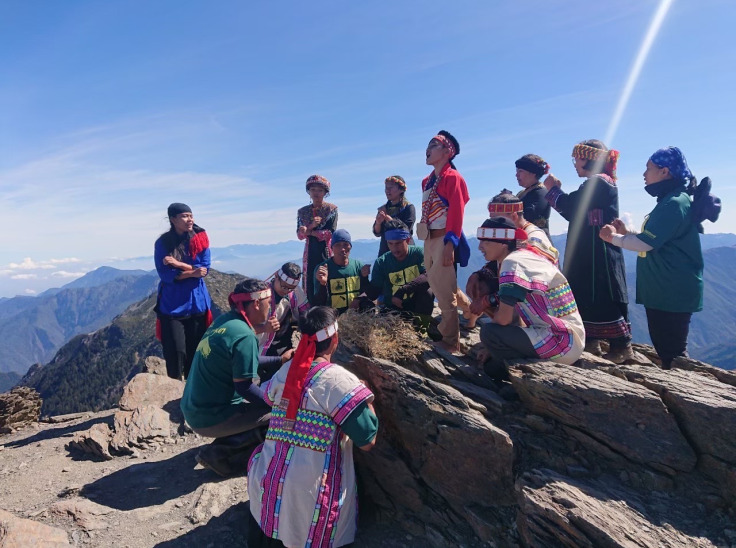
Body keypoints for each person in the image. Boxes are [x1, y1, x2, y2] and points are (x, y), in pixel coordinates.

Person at [247, 306, 378, 548]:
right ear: (335, 339)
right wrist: (366, 397)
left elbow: (268, 396)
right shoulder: (340, 381)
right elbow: (368, 441)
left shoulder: (286, 370)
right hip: (310, 495)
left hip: (267, 483)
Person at [599, 147, 704, 369]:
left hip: (670, 290)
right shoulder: (672, 200)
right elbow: (656, 239)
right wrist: (628, 233)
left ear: (664, 171)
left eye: (648, 168)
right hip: (666, 289)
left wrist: (613, 238)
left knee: (672, 351)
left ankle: (681, 387)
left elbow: (646, 244)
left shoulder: (673, 203)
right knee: (668, 349)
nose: (644, 174)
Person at [180, 278, 289, 477]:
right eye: (268, 302)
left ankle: (228, 440)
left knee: (264, 401)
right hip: (209, 416)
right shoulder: (245, 336)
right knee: (281, 417)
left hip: (194, 408)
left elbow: (245, 359)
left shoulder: (225, 321)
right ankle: (219, 454)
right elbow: (244, 387)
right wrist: (276, 405)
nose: (270, 308)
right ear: (256, 303)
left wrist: (279, 360)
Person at [543, 139, 633, 363]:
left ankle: (620, 346)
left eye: (577, 159)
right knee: (588, 291)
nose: (575, 164)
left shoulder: (599, 183)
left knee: (600, 291)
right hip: (593, 248)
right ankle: (591, 340)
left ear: (589, 159)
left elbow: (571, 206)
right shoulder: (601, 182)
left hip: (596, 251)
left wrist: (553, 189)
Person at [474, 217, 585, 379]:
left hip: (560, 341)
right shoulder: (525, 256)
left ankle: (516, 378)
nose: (480, 246)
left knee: (489, 333)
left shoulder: (512, 263)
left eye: (486, 242)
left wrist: (491, 345)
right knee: (491, 363)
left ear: (503, 243)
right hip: (570, 339)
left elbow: (504, 319)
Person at [464, 190, 559, 329]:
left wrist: (488, 300)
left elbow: (526, 283)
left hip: (542, 303)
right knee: (478, 284)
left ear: (513, 216)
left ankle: (513, 327)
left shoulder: (534, 239)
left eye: (497, 218)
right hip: (519, 288)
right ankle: (506, 326)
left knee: (485, 289)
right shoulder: (508, 236)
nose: (492, 222)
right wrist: (478, 274)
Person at [417, 130, 471, 352]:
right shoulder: (427, 181)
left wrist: (451, 244)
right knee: (438, 281)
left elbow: (457, 212)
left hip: (443, 239)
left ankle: (450, 340)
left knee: (444, 291)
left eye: (433, 145)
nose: (427, 150)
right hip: (429, 239)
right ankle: (470, 309)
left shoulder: (453, 178)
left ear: (448, 152)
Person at [154, 203, 212, 380]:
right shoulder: (163, 243)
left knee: (196, 351)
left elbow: (204, 269)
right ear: (173, 219)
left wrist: (178, 264)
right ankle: (174, 387)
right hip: (173, 307)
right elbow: (165, 274)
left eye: (191, 216)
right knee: (176, 352)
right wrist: (192, 272)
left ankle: (192, 388)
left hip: (197, 304)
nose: (190, 220)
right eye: (185, 216)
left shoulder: (200, 239)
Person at [368, 219, 434, 319]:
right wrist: (363, 278)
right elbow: (374, 291)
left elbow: (428, 275)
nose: (394, 248)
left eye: (398, 243)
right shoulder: (382, 262)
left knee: (428, 292)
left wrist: (403, 290)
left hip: (416, 304)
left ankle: (422, 325)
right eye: (390, 243)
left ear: (407, 240)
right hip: (393, 307)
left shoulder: (419, 254)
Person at [297, 175, 338, 305]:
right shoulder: (302, 212)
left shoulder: (331, 210)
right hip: (310, 252)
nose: (316, 193)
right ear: (308, 191)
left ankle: (327, 307)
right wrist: (311, 226)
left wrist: (309, 231)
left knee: (326, 277)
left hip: (326, 250)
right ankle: (310, 308)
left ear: (325, 193)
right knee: (309, 279)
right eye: (313, 189)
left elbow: (330, 233)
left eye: (320, 190)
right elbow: (299, 235)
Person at [258, 262, 310, 360]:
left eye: (291, 288)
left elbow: (306, 313)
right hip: (259, 347)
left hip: (283, 344)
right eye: (284, 287)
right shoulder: (260, 296)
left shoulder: (296, 293)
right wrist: (264, 328)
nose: (287, 291)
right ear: (276, 276)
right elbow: (244, 328)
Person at [313, 229, 371, 313]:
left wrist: (364, 278)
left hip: (355, 314)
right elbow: (318, 302)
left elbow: (368, 293)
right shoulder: (322, 269)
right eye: (337, 245)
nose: (342, 249)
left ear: (350, 247)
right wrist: (323, 284)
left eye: (345, 244)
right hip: (332, 315)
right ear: (332, 248)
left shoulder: (358, 266)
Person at [373, 175, 416, 257]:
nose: (387, 190)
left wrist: (390, 221)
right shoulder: (384, 209)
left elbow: (406, 229)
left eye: (391, 188)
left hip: (404, 252)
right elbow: (377, 233)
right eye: (386, 188)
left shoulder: (408, 207)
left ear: (401, 190)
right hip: (386, 251)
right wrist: (378, 223)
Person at [515, 154, 552, 236]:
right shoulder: (522, 193)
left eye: (520, 171)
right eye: (517, 171)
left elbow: (530, 215)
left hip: (537, 239)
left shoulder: (542, 192)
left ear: (532, 173)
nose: (516, 175)